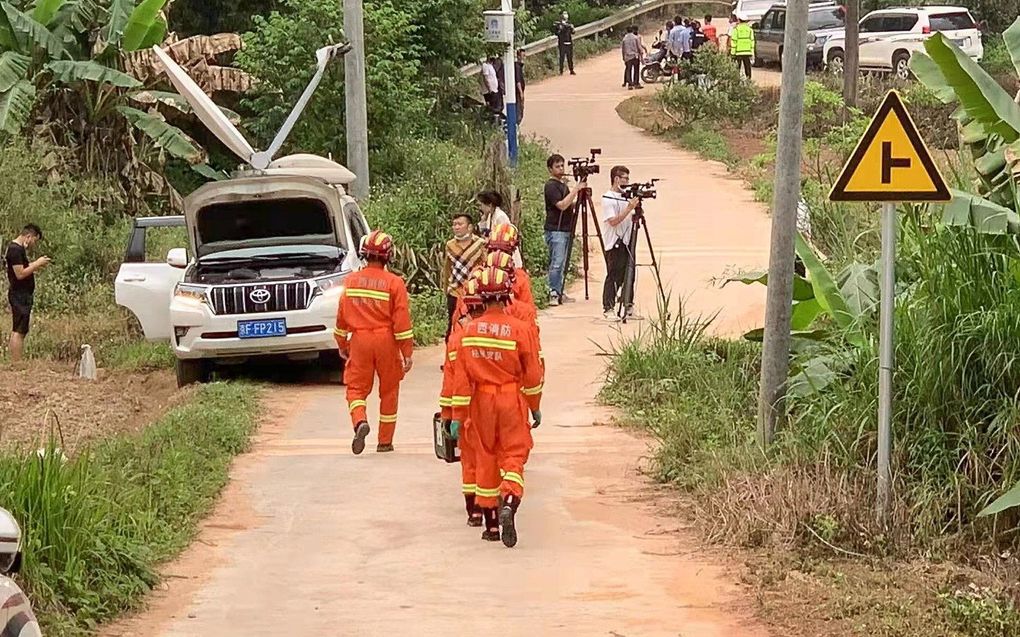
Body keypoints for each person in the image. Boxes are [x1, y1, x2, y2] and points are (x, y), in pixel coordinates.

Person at [450, 266, 544, 547]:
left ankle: (491, 527)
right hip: (510, 398)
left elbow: (461, 380)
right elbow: (532, 375)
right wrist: (534, 405)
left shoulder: (468, 331)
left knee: (486, 456)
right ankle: (511, 501)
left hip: (481, 402)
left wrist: (458, 416)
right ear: (506, 297)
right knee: (514, 454)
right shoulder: (520, 329)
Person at [334, 230, 414, 455]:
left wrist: (342, 343)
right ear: (388, 255)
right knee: (389, 390)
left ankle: (360, 422)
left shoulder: (351, 281)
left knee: (356, 389)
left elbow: (341, 318)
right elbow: (401, 321)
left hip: (359, 340)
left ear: (364, 254)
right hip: (386, 340)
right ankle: (385, 442)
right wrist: (407, 352)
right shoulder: (394, 283)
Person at [439, 278, 486, 527]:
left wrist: (450, 414)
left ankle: (474, 512)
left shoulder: (458, 338)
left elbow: (452, 380)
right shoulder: (509, 330)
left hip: (467, 409)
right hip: (496, 406)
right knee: (492, 457)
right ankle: (494, 508)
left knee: (469, 460)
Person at [543, 154, 587, 306]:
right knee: (557, 262)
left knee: (562, 263)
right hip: (556, 229)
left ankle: (559, 290)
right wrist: (576, 189)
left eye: (562, 165)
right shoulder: (551, 186)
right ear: (550, 169)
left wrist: (579, 199)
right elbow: (561, 205)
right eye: (557, 166)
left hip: (566, 228)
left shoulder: (563, 186)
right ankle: (553, 293)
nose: (561, 169)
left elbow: (568, 205)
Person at [4, 224, 48, 362]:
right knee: (18, 330)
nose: (33, 244)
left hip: (23, 294)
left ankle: (16, 361)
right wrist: (37, 264)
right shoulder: (15, 250)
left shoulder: (18, 250)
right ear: (28, 236)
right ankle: (16, 362)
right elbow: (20, 274)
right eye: (34, 240)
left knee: (21, 329)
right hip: (19, 295)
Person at [600, 167, 638, 321]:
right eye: (625, 179)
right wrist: (629, 208)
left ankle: (628, 304)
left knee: (629, 274)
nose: (627, 182)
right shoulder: (608, 198)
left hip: (628, 241)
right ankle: (608, 307)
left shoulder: (626, 197)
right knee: (614, 275)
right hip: (615, 242)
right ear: (616, 179)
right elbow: (613, 221)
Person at [442, 213, 487, 340]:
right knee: (453, 324)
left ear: (470, 227)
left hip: (475, 292)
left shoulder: (480, 244)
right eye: (454, 224)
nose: (456, 227)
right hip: (455, 291)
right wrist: (446, 288)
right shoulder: (450, 245)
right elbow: (447, 269)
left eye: (460, 224)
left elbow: (485, 265)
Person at [477, 192, 522, 268]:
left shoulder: (500, 216)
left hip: (504, 251)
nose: (480, 208)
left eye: (481, 205)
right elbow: (484, 233)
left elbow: (505, 237)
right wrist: (483, 220)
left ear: (489, 205)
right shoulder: (490, 216)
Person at [730, 13, 755, 79]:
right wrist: (752, 53)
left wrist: (732, 53)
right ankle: (749, 81)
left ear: (739, 20)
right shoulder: (750, 30)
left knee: (737, 68)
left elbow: (734, 42)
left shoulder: (736, 29)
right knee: (748, 68)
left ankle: (736, 82)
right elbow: (752, 41)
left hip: (738, 52)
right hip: (747, 52)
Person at [621, 25, 644, 90]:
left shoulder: (624, 39)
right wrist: (641, 55)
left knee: (629, 70)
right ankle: (636, 83)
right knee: (636, 70)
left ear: (626, 31)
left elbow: (623, 49)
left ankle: (630, 84)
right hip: (635, 56)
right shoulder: (635, 38)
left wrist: (623, 57)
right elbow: (639, 47)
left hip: (628, 57)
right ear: (632, 30)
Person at [514, 48, 526, 125]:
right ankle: (516, 124)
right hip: (518, 91)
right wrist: (521, 92)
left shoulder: (519, 66)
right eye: (522, 55)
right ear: (518, 56)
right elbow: (518, 80)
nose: (524, 57)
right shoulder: (517, 67)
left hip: (519, 90)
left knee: (520, 108)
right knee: (519, 109)